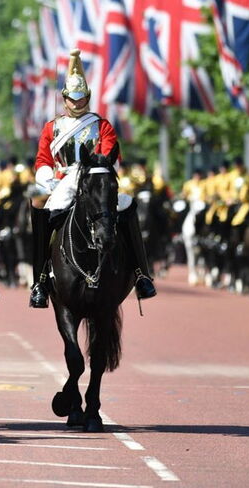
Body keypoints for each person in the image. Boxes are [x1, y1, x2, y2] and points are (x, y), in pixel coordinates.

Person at [28, 49, 157, 308]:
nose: (78, 103)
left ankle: (141, 273)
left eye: (82, 98)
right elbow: (43, 160)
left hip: (95, 178)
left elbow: (109, 154)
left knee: (127, 205)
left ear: (88, 97)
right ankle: (40, 280)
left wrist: (97, 170)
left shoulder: (102, 125)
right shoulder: (52, 127)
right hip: (64, 180)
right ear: (65, 98)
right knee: (45, 211)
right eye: (73, 99)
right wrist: (47, 178)